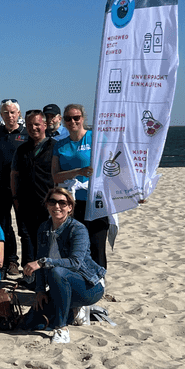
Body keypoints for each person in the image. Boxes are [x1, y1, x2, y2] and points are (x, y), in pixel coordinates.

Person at [23, 187, 107, 344]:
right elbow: (39, 260)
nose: (57, 206)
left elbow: (75, 263)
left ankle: (61, 329)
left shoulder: (78, 229)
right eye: (52, 202)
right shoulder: (43, 228)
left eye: (62, 203)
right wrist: (40, 290)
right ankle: (74, 310)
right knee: (30, 323)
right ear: (47, 205)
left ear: (70, 207)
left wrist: (43, 262)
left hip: (89, 286)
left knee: (57, 271)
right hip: (61, 287)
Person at [51, 104, 109, 269]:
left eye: (76, 117)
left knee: (97, 243)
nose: (73, 121)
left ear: (83, 118)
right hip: (71, 203)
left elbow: (111, 167)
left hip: (96, 200)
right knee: (76, 244)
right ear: (64, 120)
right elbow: (55, 176)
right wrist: (78, 171)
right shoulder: (59, 145)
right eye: (68, 118)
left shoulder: (96, 138)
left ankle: (99, 281)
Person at [0, 99, 28, 277]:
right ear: (1, 115)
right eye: (6, 112)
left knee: (24, 228)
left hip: (22, 189)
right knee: (3, 226)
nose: (10, 116)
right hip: (0, 188)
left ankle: (27, 267)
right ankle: (9, 261)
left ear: (19, 114)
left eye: (13, 112)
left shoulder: (26, 134)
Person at [11, 109, 55, 267]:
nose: (33, 128)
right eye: (29, 125)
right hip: (25, 202)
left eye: (37, 124)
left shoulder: (54, 147)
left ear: (44, 125)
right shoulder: (21, 150)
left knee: (47, 239)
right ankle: (29, 275)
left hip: (47, 203)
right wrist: (15, 198)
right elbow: (14, 175)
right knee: (27, 237)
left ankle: (45, 274)